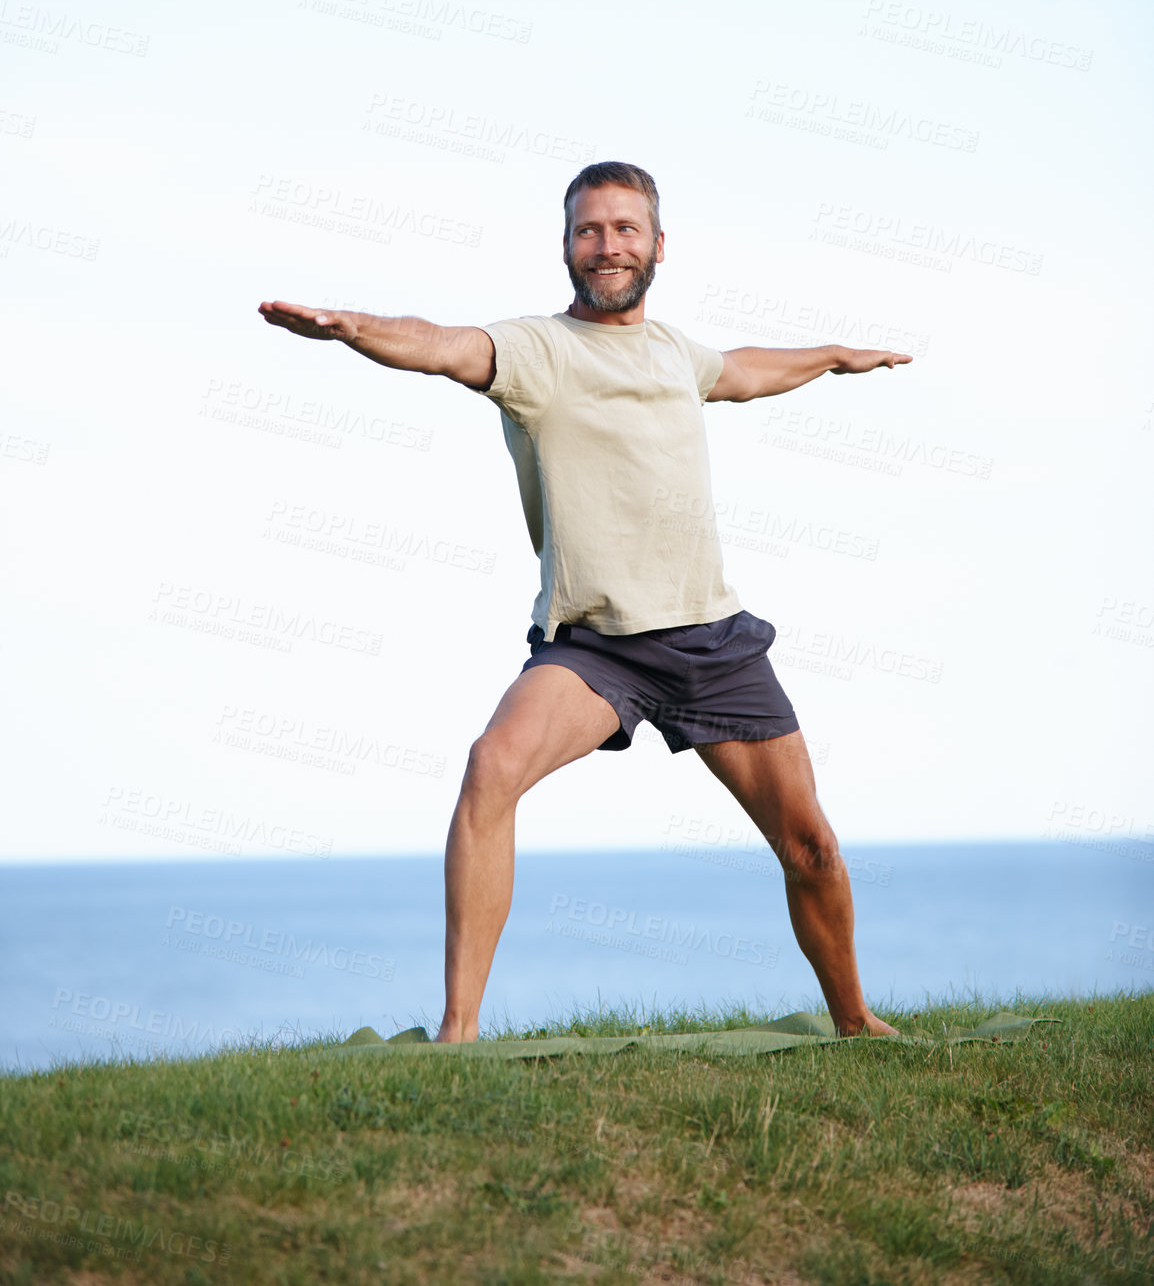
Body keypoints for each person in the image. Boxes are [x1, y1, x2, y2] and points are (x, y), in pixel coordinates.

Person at [258, 160, 912, 1042]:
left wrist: (832, 357)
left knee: (813, 849)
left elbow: (744, 370)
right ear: (567, 245)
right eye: (589, 231)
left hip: (713, 641)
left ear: (657, 245)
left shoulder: (678, 354)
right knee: (491, 770)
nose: (607, 246)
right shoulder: (535, 351)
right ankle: (459, 1033)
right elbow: (442, 344)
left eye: (624, 229)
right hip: (596, 647)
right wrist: (354, 329)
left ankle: (856, 1022)